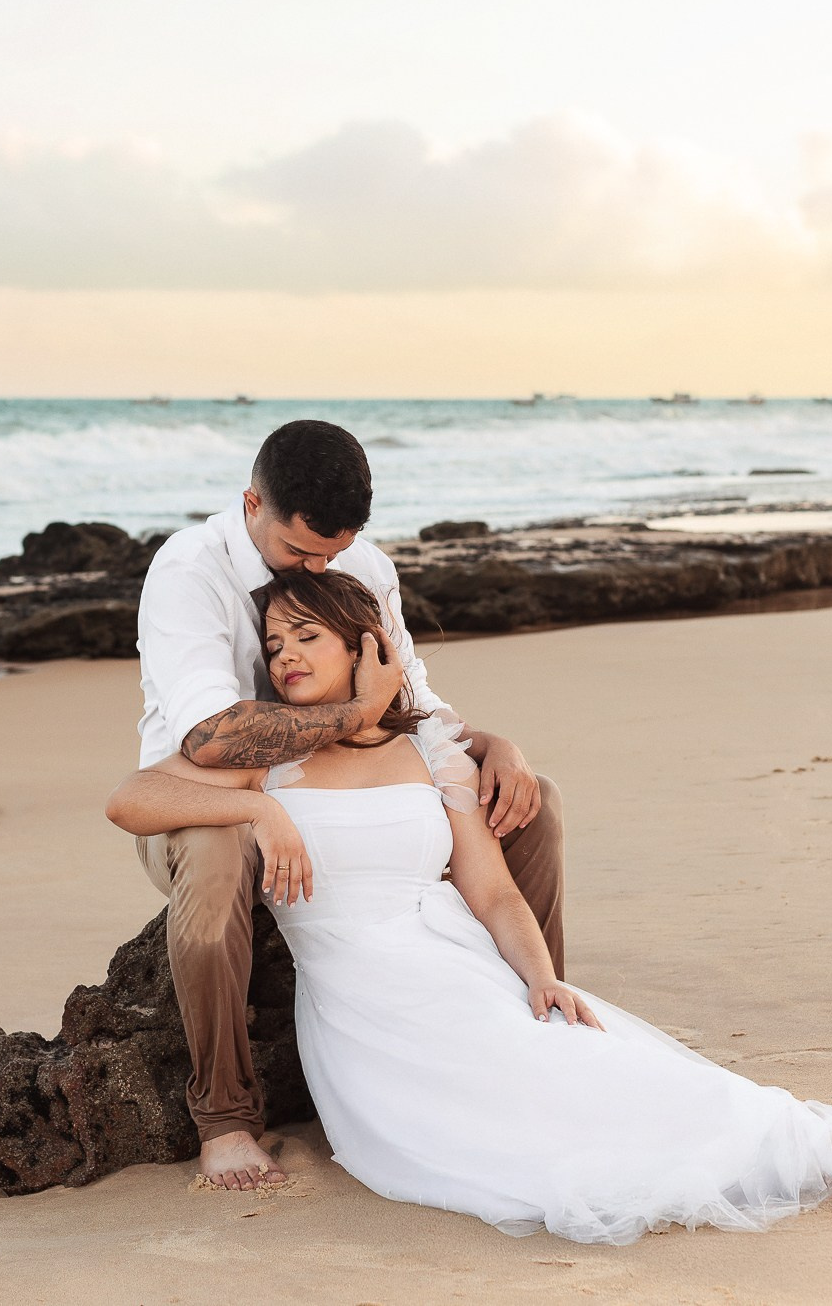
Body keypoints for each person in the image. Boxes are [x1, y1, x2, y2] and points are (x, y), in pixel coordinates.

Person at [109, 570, 832, 1244]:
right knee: (522, 1119)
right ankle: (814, 1147)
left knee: (589, 1064)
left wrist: (540, 976)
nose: (284, 654)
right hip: (364, 1008)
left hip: (458, 963)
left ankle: (822, 1146)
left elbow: (492, 890)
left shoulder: (426, 750)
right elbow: (131, 799)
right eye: (273, 643)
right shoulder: (268, 755)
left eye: (306, 635)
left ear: (367, 649)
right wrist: (256, 808)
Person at [133, 420, 565, 1190]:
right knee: (217, 845)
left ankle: (538, 1015)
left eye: (332, 554)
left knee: (532, 801)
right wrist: (346, 724)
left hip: (343, 781)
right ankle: (225, 1118)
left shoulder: (358, 563)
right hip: (201, 799)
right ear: (252, 503)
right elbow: (210, 738)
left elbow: (409, 699)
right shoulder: (188, 571)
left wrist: (497, 746)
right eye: (299, 552)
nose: (319, 568)